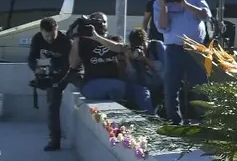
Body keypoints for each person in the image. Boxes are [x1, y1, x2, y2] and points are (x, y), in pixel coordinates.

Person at [154, 0, 213, 125]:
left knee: (201, 87)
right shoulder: (158, 3)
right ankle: (174, 121)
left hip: (196, 48)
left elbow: (206, 15)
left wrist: (184, 3)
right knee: (171, 87)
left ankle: (206, 121)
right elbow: (163, 27)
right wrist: (163, 2)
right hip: (174, 49)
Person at [69, 12, 153, 112]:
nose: (102, 24)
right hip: (91, 85)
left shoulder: (114, 39)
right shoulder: (84, 42)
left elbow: (121, 49)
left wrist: (97, 37)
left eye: (104, 22)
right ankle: (120, 115)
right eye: (97, 22)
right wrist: (77, 38)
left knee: (142, 91)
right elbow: (73, 64)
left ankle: (151, 119)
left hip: (117, 84)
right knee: (117, 86)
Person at [28, 17, 71, 151]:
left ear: (57, 30)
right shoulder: (37, 39)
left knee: (54, 97)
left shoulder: (65, 41)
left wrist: (57, 80)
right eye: (47, 36)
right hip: (53, 69)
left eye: (52, 35)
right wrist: (37, 69)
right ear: (41, 31)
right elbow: (31, 58)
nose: (50, 39)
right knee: (52, 105)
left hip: (70, 70)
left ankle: (54, 139)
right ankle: (54, 140)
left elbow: (68, 65)